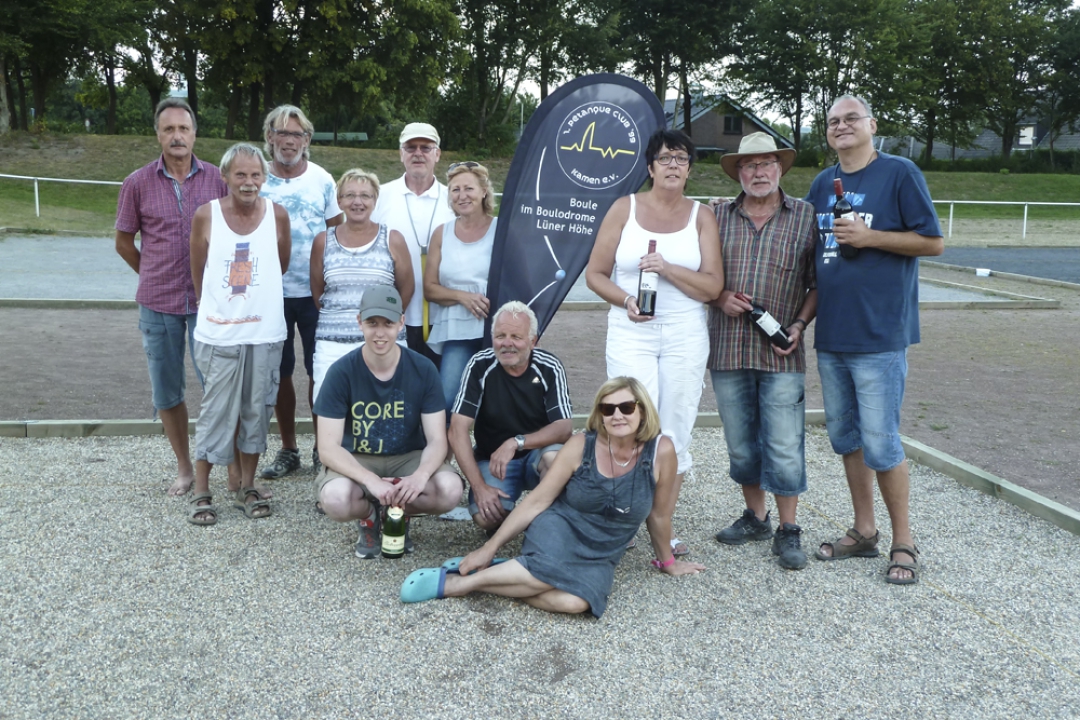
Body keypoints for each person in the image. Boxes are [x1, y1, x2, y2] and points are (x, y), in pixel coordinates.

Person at [400, 377, 705, 617]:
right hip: (561, 527)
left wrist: (667, 562)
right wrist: (488, 548)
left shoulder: (661, 451)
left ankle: (510, 571)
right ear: (599, 414)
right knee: (550, 572)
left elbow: (659, 514)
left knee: (576, 603)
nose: (617, 415)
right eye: (607, 409)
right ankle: (458, 584)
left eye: (626, 407)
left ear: (642, 411)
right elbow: (537, 501)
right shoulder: (581, 444)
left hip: (603, 549)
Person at [806, 94, 944, 585]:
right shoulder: (822, 183)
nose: (841, 126)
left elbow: (933, 242)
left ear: (872, 124)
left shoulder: (899, 172)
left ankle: (903, 541)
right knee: (847, 440)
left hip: (879, 333)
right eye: (833, 121)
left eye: (851, 118)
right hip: (833, 333)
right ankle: (864, 531)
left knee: (882, 442)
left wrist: (871, 237)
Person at [585, 128, 724, 557]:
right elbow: (595, 274)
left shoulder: (701, 216)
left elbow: (713, 287)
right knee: (628, 420)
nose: (673, 165)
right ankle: (622, 520)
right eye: (665, 158)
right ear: (650, 167)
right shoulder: (623, 209)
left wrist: (667, 269)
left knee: (675, 428)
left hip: (684, 331)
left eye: (681, 159)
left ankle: (663, 526)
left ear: (690, 170)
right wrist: (627, 300)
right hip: (631, 330)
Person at [708, 133, 818, 570]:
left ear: (780, 168)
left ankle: (789, 528)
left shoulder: (806, 216)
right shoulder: (715, 217)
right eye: (749, 165)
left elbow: (817, 284)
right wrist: (718, 297)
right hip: (728, 349)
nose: (758, 172)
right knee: (740, 445)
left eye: (766, 163)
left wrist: (799, 325)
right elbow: (699, 275)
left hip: (781, 352)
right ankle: (756, 517)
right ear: (738, 172)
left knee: (785, 445)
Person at [114, 97, 228, 497]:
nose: (177, 136)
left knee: (217, 386)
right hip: (158, 304)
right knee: (167, 390)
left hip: (208, 304)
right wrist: (151, 273)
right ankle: (184, 466)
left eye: (183, 128)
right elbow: (123, 242)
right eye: (169, 129)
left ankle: (226, 468)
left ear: (194, 133)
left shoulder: (218, 180)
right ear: (158, 135)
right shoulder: (137, 183)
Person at [313, 285, 464, 559]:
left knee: (450, 491)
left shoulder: (423, 369)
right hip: (359, 457)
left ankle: (398, 511)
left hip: (408, 457)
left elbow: (436, 439)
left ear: (401, 323)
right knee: (335, 500)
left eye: (388, 323)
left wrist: (419, 477)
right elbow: (327, 447)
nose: (380, 333)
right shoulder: (341, 372)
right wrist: (370, 480)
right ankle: (369, 516)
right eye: (372, 323)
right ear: (359, 321)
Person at [186, 144, 291, 525]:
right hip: (219, 334)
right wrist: (211, 304)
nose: (249, 182)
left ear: (265, 177)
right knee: (215, 411)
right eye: (241, 174)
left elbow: (281, 263)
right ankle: (201, 489)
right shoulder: (207, 215)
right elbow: (198, 268)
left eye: (256, 175)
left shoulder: (277, 215)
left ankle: (247, 485)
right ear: (225, 176)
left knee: (256, 410)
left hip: (264, 332)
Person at [258, 105, 343, 481]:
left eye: (297, 134)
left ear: (307, 139)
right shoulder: (257, 178)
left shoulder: (322, 180)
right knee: (279, 374)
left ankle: (322, 449)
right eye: (282, 132)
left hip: (315, 293)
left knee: (318, 371)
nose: (289, 141)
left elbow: (337, 232)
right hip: (269, 294)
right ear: (269, 136)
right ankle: (289, 448)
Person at [448, 302, 572, 532]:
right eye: (500, 336)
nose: (507, 343)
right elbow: (457, 429)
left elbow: (564, 428)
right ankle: (530, 517)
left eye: (516, 337)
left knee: (554, 459)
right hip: (493, 459)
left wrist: (516, 442)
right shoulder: (479, 365)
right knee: (486, 518)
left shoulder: (549, 366)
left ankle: (549, 523)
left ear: (533, 341)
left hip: (537, 453)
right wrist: (480, 487)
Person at [310, 169, 414, 404]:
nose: (357, 202)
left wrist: (384, 322)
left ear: (375, 201)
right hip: (333, 343)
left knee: (386, 410)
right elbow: (318, 293)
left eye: (365, 196)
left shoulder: (393, 239)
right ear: (339, 202)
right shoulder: (322, 241)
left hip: (384, 341)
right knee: (329, 407)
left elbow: (406, 289)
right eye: (350, 195)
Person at [371, 123, 456, 366]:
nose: (418, 153)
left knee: (438, 385)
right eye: (411, 147)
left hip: (443, 316)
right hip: (395, 315)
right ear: (401, 154)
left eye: (425, 147)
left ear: (437, 154)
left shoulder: (454, 199)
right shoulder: (380, 197)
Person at [424, 161, 498, 413]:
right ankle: (445, 440)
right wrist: (462, 297)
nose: (462, 195)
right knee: (447, 400)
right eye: (455, 190)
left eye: (469, 188)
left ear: (484, 191)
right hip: (456, 330)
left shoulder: (501, 229)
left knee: (495, 403)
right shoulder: (441, 233)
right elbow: (430, 289)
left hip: (496, 327)